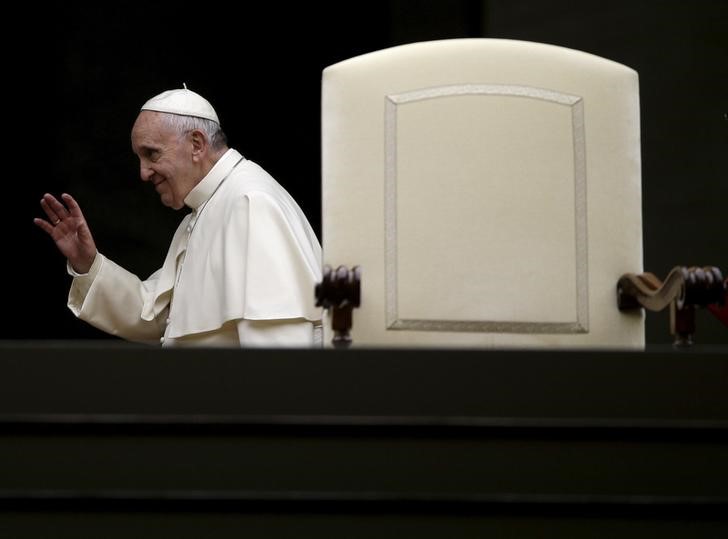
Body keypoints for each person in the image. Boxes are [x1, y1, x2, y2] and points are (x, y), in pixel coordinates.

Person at [35, 86, 323, 347]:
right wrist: (88, 263)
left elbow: (281, 349)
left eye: (152, 155)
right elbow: (157, 316)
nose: (143, 173)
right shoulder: (204, 211)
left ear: (197, 144)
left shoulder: (250, 202)